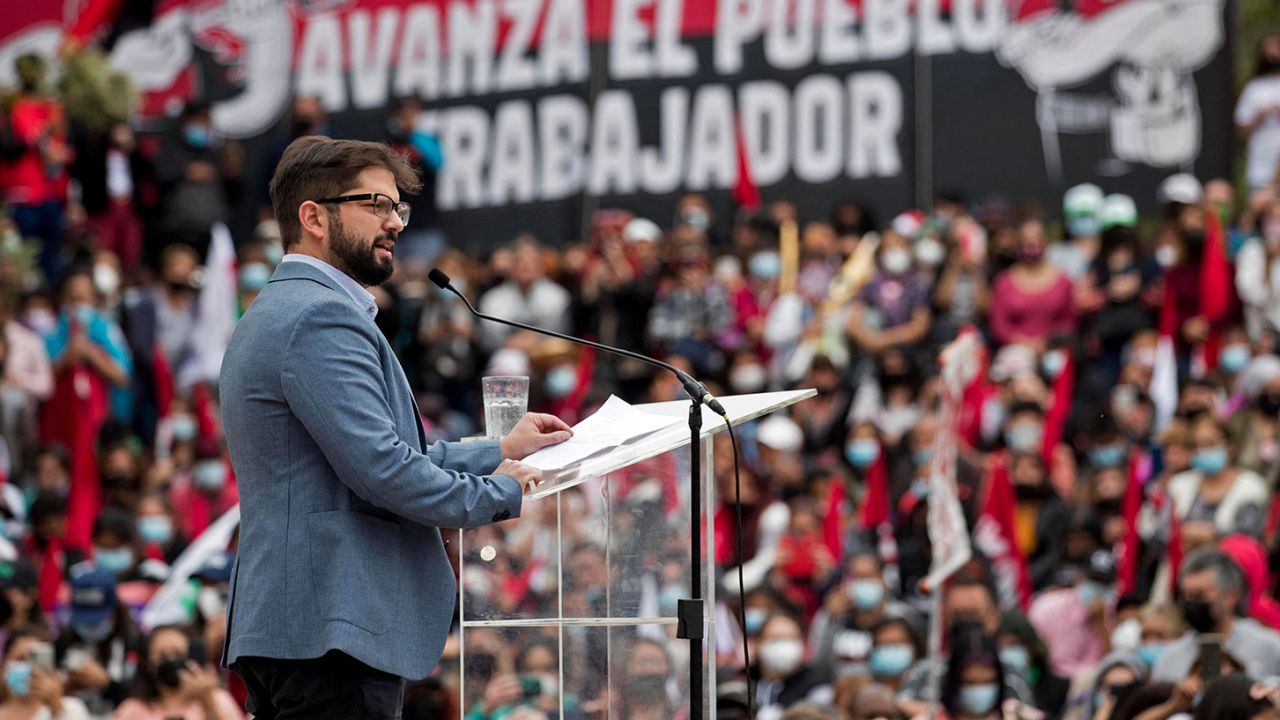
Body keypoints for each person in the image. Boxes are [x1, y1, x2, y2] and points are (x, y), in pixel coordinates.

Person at [218, 136, 571, 719]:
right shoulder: (318, 315)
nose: (394, 223)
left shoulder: (287, 307)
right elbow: (383, 470)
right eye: (375, 205)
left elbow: (388, 453)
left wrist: (498, 450)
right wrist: (503, 489)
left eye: (397, 208)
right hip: (330, 628)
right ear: (314, 218)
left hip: (305, 625)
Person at [1150, 548, 1280, 682]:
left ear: (1231, 596)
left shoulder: (1269, 648)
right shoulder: (1170, 658)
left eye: (1199, 595)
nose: (1191, 603)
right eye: (1185, 596)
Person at [112, 625, 243, 720]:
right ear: (148, 664)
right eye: (162, 656)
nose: (171, 660)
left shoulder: (217, 700)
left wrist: (208, 701)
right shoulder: (132, 710)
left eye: (178, 654)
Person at [0, 627, 90, 720]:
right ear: (4, 666)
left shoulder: (72, 709)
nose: (31, 669)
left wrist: (57, 709)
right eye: (20, 659)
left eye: (35, 660)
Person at [1236, 32, 1280, 193]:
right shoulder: (1253, 88)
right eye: (1268, 49)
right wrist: (1258, 118)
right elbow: (1241, 129)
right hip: (1260, 167)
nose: (1273, 54)